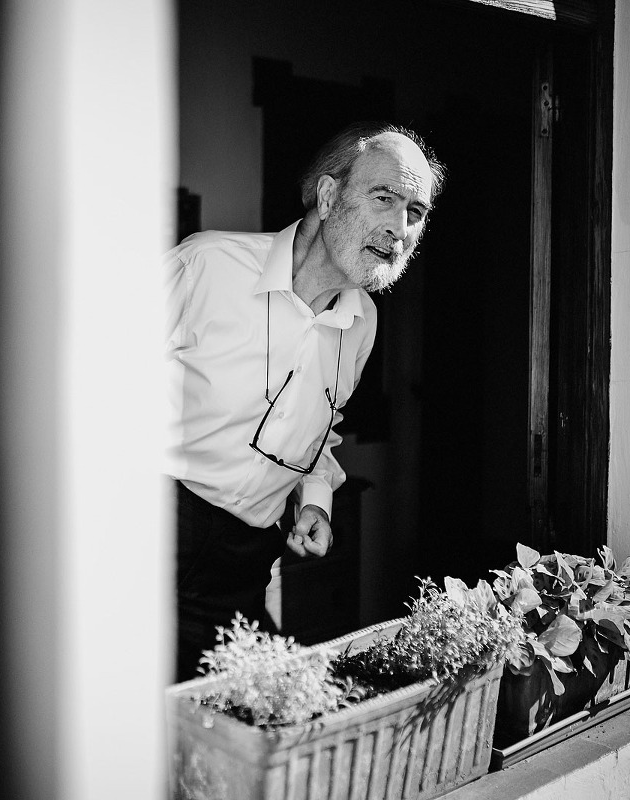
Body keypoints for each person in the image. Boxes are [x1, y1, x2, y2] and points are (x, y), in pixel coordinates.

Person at [164, 122, 446, 681]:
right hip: (148, 530)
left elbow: (320, 424)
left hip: (242, 566)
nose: (399, 227)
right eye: (384, 197)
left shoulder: (362, 323)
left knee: (248, 726)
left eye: (416, 211)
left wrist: (314, 499)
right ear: (327, 195)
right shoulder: (207, 266)